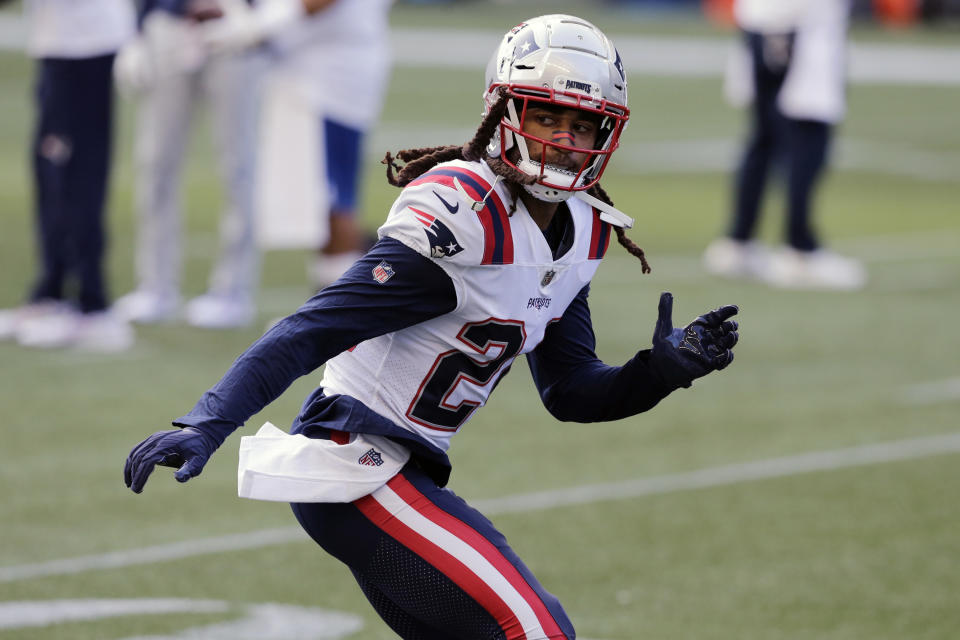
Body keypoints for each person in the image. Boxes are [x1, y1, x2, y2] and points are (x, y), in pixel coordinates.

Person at [124, 15, 740, 639]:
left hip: (402, 469)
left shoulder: (582, 230)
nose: (563, 138)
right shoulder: (465, 215)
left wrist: (661, 371)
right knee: (536, 630)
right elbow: (312, 330)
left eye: (582, 124)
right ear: (505, 112)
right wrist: (209, 419)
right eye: (546, 117)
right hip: (355, 459)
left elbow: (571, 391)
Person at [198, 0, 393, 289]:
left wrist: (259, 25)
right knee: (318, 201)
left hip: (331, 77)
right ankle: (335, 303)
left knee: (332, 196)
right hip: (314, 71)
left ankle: (343, 309)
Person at [113, 0, 266, 329]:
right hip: (171, 25)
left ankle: (232, 289)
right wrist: (139, 27)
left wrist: (255, 16)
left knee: (238, 166)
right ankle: (155, 285)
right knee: (155, 162)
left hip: (233, 28)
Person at [0, 0, 136, 351]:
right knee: (51, 173)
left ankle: (94, 304)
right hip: (61, 45)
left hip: (84, 45)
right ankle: (52, 291)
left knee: (76, 176)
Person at [703, 0, 867, 290]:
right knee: (807, 138)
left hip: (761, 22)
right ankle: (799, 249)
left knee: (764, 137)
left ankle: (738, 241)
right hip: (802, 25)